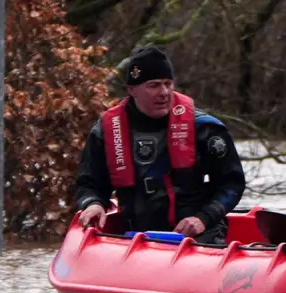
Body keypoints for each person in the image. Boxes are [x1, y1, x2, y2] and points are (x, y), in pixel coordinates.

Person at [76, 46, 246, 243]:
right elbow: (89, 183)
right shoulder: (105, 130)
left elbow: (232, 183)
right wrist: (93, 204)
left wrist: (203, 218)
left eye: (168, 84)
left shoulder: (204, 129)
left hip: (198, 234)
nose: (164, 92)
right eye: (154, 85)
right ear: (132, 90)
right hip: (136, 238)